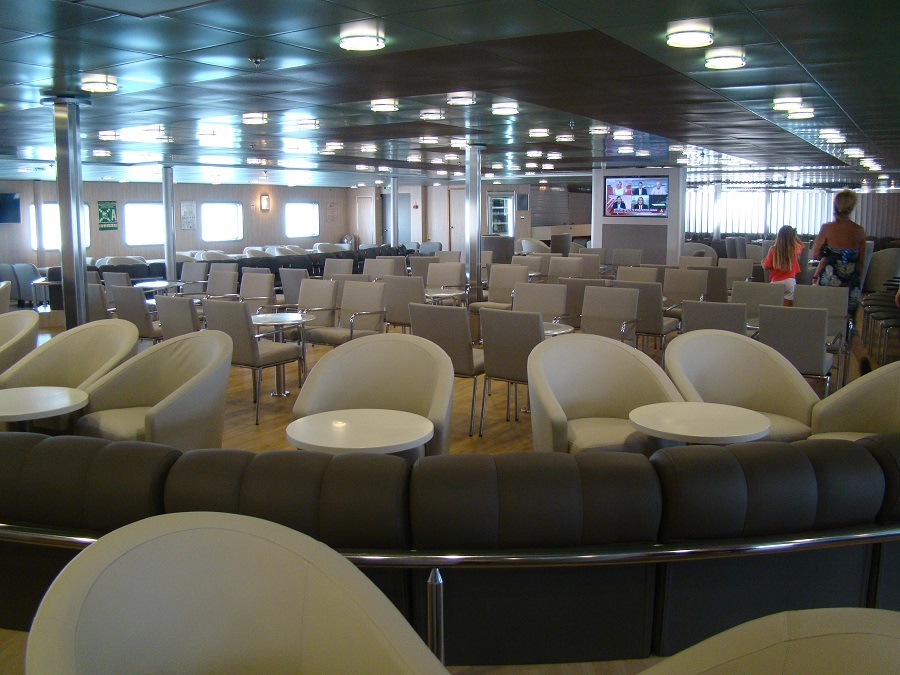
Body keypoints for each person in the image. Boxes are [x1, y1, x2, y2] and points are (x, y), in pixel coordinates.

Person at [811, 188, 871, 374]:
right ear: (852, 207)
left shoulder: (827, 228)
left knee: (823, 321)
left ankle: (821, 362)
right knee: (848, 323)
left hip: (829, 283)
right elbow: (861, 262)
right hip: (851, 285)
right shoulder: (859, 231)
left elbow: (815, 253)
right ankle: (860, 356)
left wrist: (830, 254)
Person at [762, 225, 803, 306]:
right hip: (790, 282)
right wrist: (793, 235)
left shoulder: (773, 249)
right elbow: (802, 245)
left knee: (774, 309)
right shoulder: (795, 249)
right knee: (786, 310)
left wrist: (762, 262)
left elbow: (766, 268)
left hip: (776, 282)